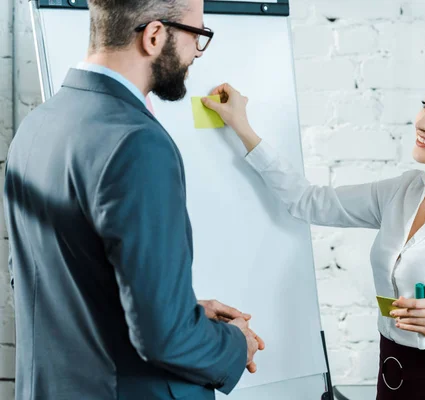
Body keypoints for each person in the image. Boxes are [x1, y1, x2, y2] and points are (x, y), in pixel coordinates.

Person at [203, 60, 425, 399]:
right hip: (390, 384)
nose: (422, 122)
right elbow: (308, 201)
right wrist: (241, 126)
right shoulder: (401, 193)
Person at [3, 0, 264, 399]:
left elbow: (47, 280)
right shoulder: (138, 142)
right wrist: (234, 343)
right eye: (197, 35)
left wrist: (179, 307)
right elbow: (165, 338)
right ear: (155, 36)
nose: (197, 50)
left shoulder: (39, 123)